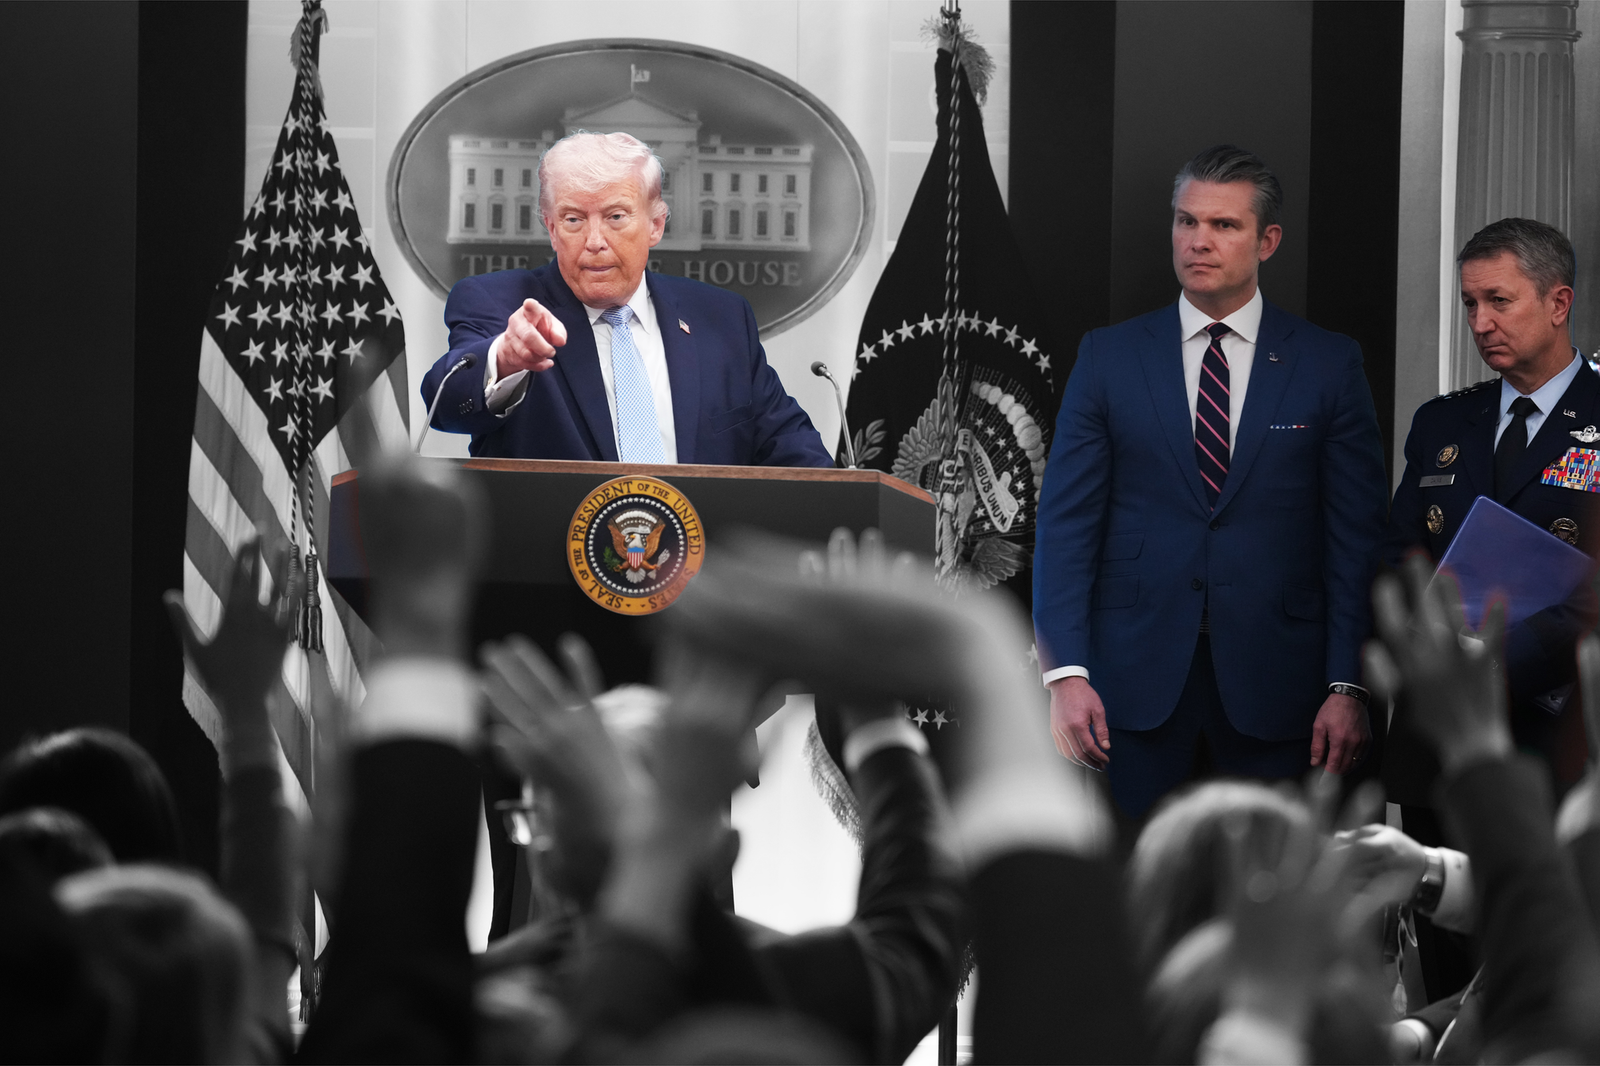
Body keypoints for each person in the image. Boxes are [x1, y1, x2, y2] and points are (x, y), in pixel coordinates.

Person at [1032, 144, 1390, 819]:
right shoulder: (1107, 357)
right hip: (1130, 687)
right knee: (1135, 906)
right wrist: (1065, 673)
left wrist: (1351, 684)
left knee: (1266, 904)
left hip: (1282, 687)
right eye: (1186, 221)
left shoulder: (1328, 364)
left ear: (1268, 240)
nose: (1199, 241)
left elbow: (1356, 539)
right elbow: (1067, 523)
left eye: (1224, 225)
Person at [419, 131, 833, 469]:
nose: (595, 242)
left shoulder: (720, 318)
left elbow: (790, 446)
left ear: (655, 225)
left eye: (616, 217)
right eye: (573, 219)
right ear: (550, 227)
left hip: (700, 562)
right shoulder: (498, 302)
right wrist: (504, 359)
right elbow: (446, 404)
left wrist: (846, 508)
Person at [1382, 218, 1599, 816]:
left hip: (1557, 739)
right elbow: (1400, 554)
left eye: (1498, 301)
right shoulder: (1444, 422)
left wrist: (1493, 663)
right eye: (1470, 303)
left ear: (1559, 303)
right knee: (1432, 904)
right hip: (1438, 741)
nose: (1480, 323)